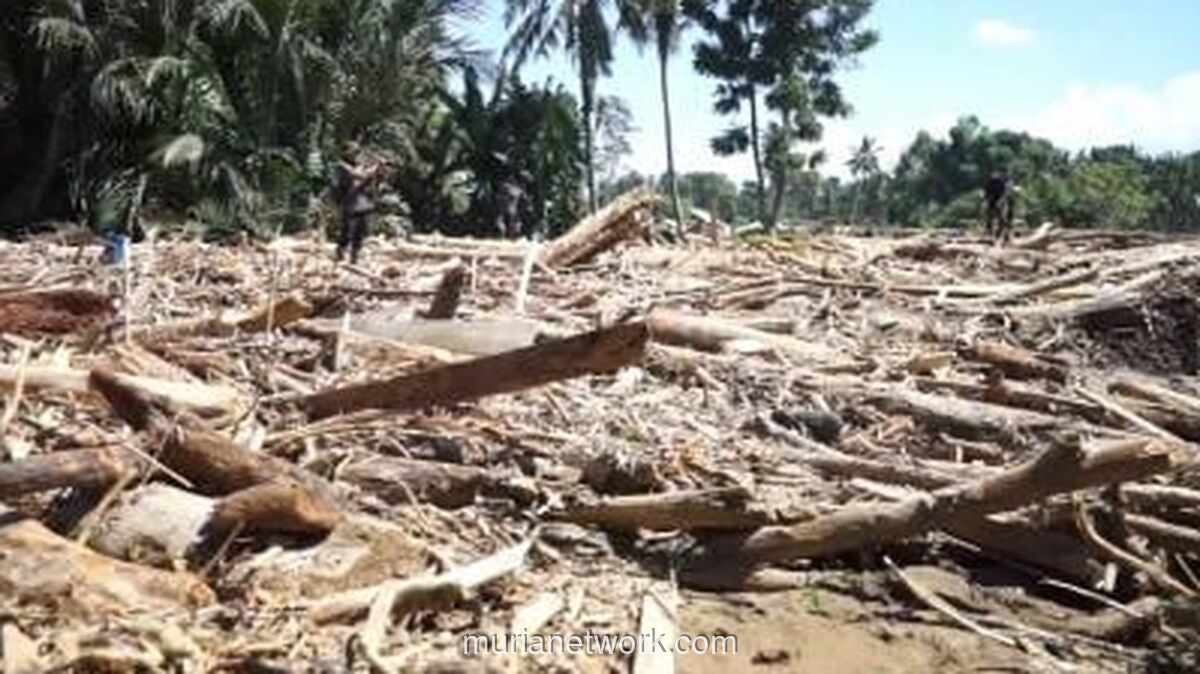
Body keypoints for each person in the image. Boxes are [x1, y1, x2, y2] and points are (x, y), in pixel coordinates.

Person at [332, 142, 386, 264]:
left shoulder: (359, 165)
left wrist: (380, 168)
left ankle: (354, 257)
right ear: (345, 152)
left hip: (363, 203)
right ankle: (340, 254)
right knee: (346, 232)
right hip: (349, 203)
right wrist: (374, 167)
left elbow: (375, 179)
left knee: (359, 233)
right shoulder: (341, 166)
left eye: (356, 152)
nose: (355, 155)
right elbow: (358, 176)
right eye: (353, 152)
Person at [983, 170, 1015, 243]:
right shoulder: (990, 183)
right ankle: (989, 230)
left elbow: (1005, 194)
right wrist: (987, 201)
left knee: (1004, 218)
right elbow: (986, 194)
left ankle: (1005, 233)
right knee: (989, 215)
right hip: (993, 199)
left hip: (1001, 200)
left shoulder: (1003, 183)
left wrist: (1001, 201)